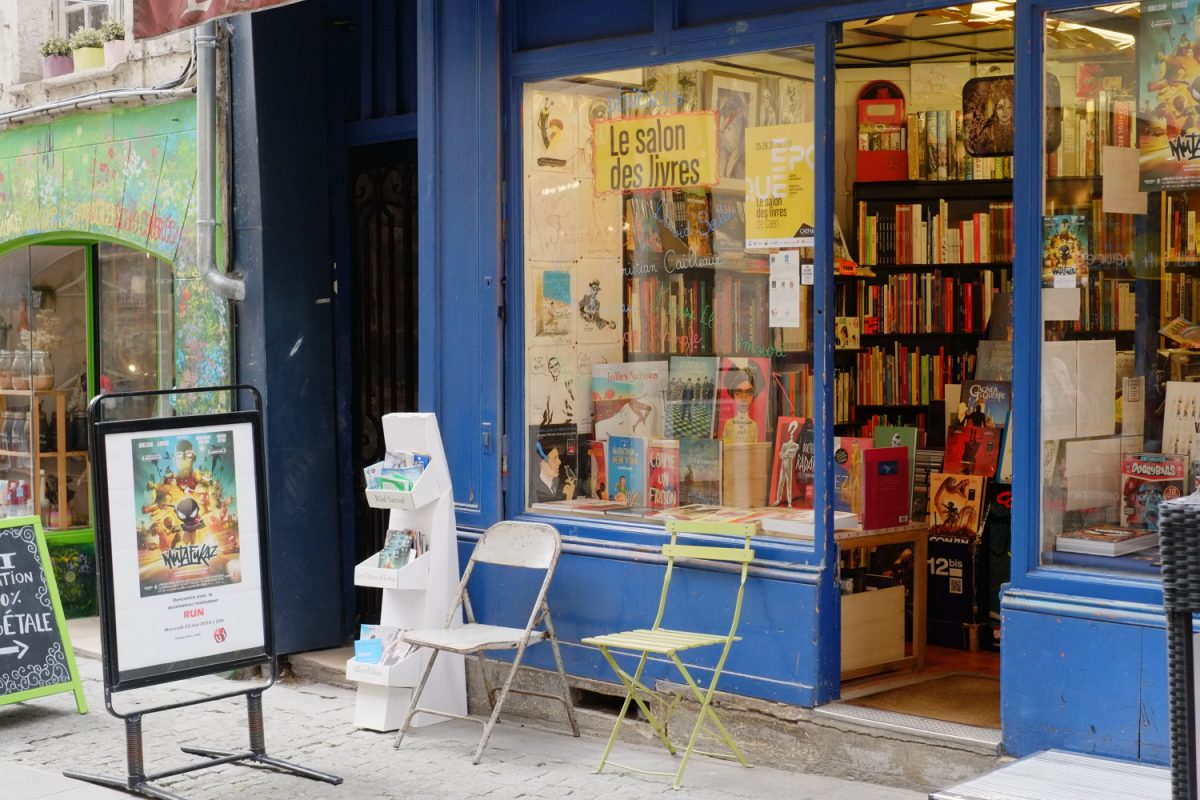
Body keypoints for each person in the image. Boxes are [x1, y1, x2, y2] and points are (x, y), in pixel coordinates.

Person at [721, 361, 763, 443]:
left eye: (749, 392)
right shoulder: (728, 424)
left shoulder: (754, 426)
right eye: (738, 392)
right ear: (733, 394)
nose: (743, 398)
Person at [772, 420, 801, 507]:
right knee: (781, 482)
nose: (791, 435)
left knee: (789, 483)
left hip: (788, 465)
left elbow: (791, 455)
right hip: (783, 465)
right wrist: (785, 454)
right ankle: (778, 499)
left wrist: (785, 453)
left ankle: (789, 502)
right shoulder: (784, 444)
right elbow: (780, 455)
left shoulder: (795, 445)